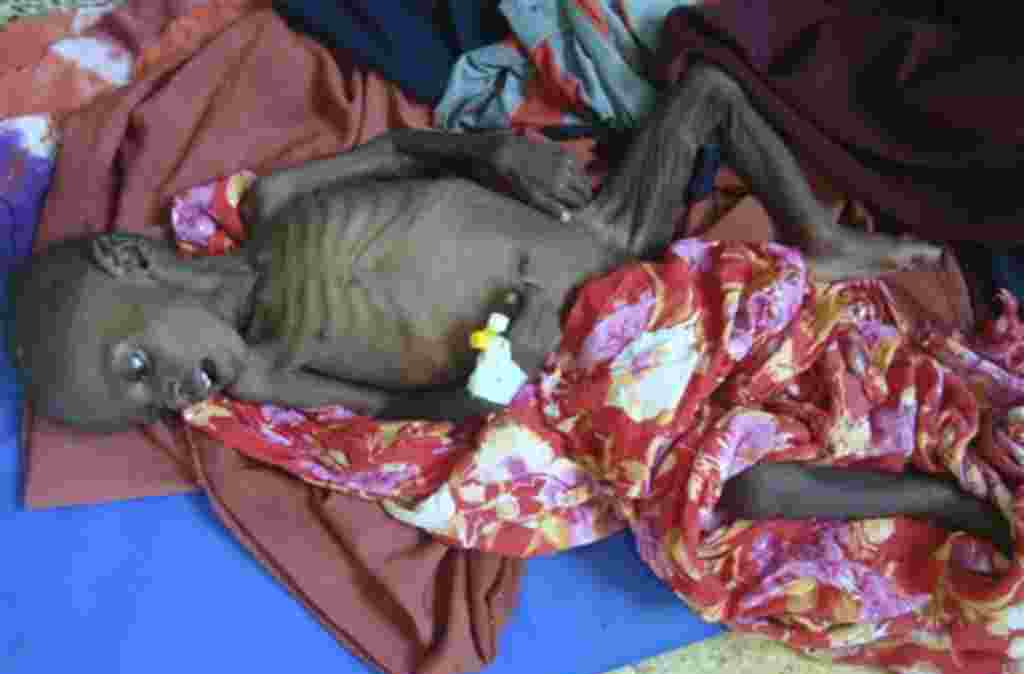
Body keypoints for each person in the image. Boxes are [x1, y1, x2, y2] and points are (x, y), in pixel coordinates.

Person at [9, 64, 1010, 553]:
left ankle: (816, 235)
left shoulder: (275, 203)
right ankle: (947, 502)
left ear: (134, 257)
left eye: (137, 365)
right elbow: (431, 417)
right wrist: (506, 366)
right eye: (146, 406)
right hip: (591, 352)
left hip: (610, 238)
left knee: (705, 90)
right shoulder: (268, 369)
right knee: (735, 494)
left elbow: (404, 153)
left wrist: (486, 150)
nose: (172, 393)